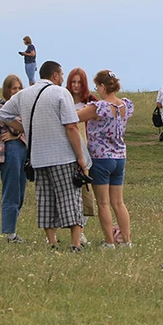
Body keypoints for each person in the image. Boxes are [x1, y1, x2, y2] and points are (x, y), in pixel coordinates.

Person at [0, 61, 88, 251]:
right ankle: (75, 243)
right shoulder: (60, 93)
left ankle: (52, 241)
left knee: (45, 199)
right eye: (61, 74)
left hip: (38, 157)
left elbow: (4, 114)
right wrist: (80, 156)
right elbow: (71, 126)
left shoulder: (24, 94)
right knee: (70, 197)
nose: (62, 78)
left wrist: (25, 129)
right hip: (62, 155)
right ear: (55, 75)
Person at [77, 71, 134, 248]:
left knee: (103, 203)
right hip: (119, 156)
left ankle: (109, 242)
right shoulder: (125, 105)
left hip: (101, 158)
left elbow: (75, 117)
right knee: (118, 202)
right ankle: (126, 240)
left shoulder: (99, 107)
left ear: (102, 86)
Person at [0, 74, 28, 243]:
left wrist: (19, 133)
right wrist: (21, 132)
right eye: (13, 88)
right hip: (10, 152)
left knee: (21, 191)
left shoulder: (23, 108)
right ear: (7, 90)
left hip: (22, 149)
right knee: (12, 190)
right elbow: (16, 128)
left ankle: (12, 230)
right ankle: (9, 233)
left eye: (19, 88)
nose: (16, 91)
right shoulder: (2, 107)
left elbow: (21, 129)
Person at [67, 67, 98, 234]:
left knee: (84, 189)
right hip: (66, 147)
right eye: (73, 82)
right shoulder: (64, 98)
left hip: (86, 148)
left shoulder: (91, 101)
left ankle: (81, 229)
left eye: (79, 82)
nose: (76, 85)